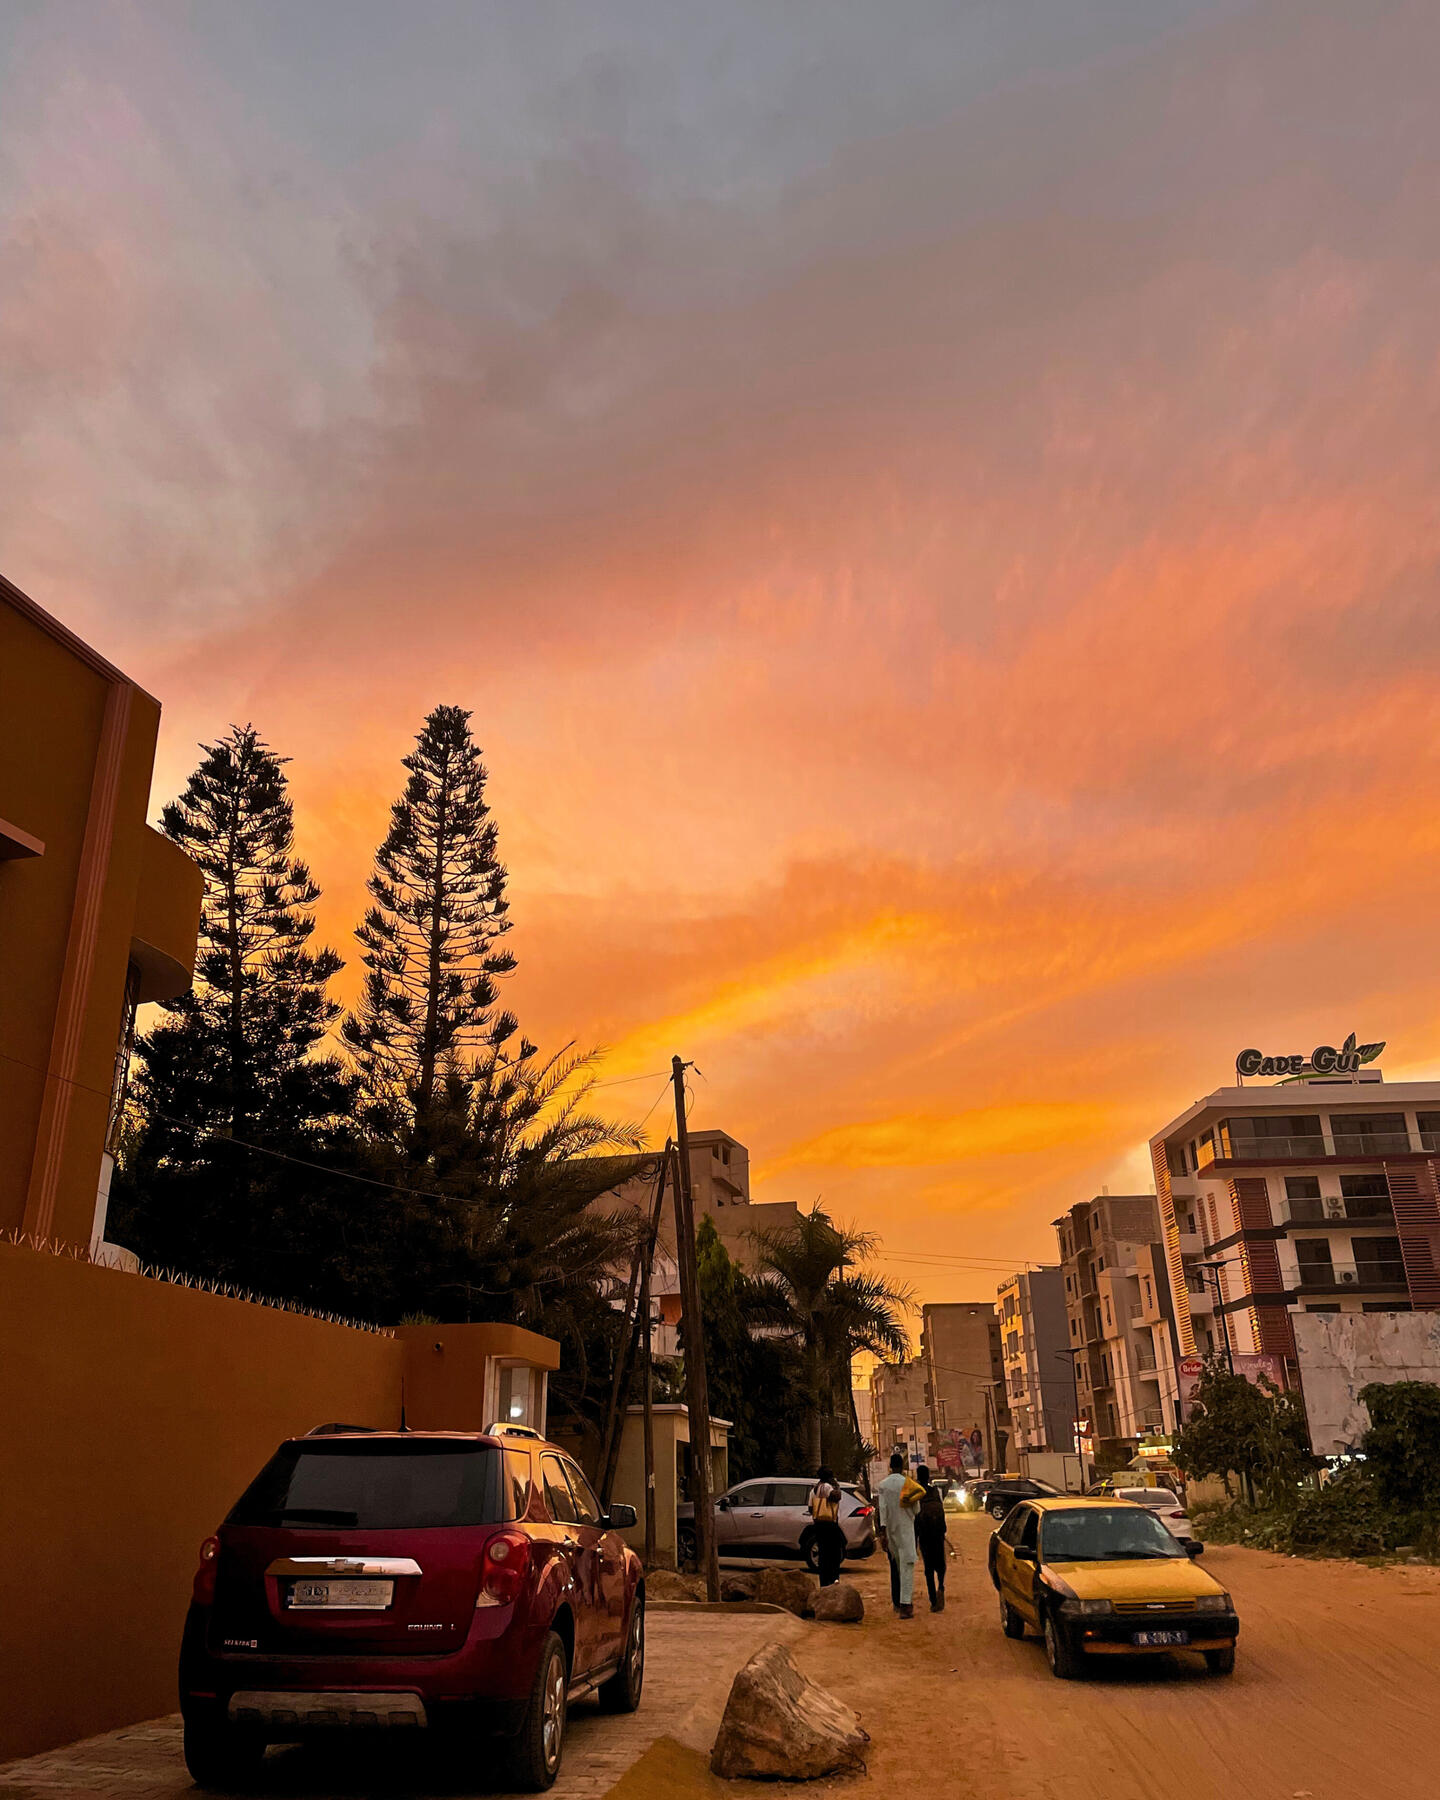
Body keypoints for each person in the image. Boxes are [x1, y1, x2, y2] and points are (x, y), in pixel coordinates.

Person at [875, 1450, 923, 1618]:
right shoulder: (908, 1484)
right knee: (907, 1567)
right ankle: (905, 1605)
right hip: (906, 1530)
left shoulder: (883, 1485)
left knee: (896, 1567)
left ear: (890, 1466)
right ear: (902, 1466)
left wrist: (883, 1533)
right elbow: (916, 1510)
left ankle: (897, 1602)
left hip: (890, 1531)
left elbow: (882, 1510)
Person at [914, 1464, 949, 1612]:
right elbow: (942, 1510)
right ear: (928, 1476)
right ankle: (941, 1585)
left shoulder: (916, 1493)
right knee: (940, 1563)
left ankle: (933, 1600)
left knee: (928, 1568)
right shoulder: (935, 1491)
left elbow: (915, 1515)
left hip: (924, 1534)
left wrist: (915, 1536)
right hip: (938, 1533)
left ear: (917, 1477)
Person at [808, 1465, 848, 1587]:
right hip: (830, 1524)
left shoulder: (814, 1490)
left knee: (823, 1554)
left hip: (818, 1524)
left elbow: (810, 1508)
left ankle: (824, 1582)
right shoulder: (826, 1487)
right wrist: (836, 1486)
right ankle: (834, 1578)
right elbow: (836, 1497)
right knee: (833, 1553)